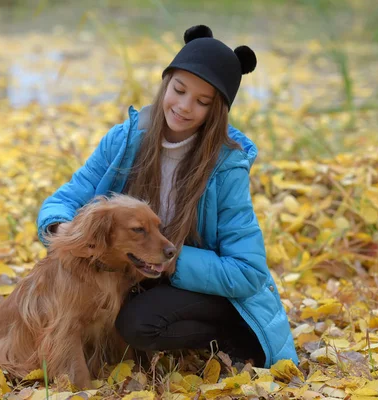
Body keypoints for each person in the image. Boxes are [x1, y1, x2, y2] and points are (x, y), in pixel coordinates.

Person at [37, 25, 298, 367]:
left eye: (202, 102)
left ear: (215, 111)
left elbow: (249, 272)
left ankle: (229, 334)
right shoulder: (125, 139)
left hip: (207, 288)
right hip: (138, 271)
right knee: (87, 300)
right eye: (179, 89)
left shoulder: (226, 166)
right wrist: (62, 229)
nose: (184, 107)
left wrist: (174, 261)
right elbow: (66, 198)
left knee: (136, 324)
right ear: (166, 84)